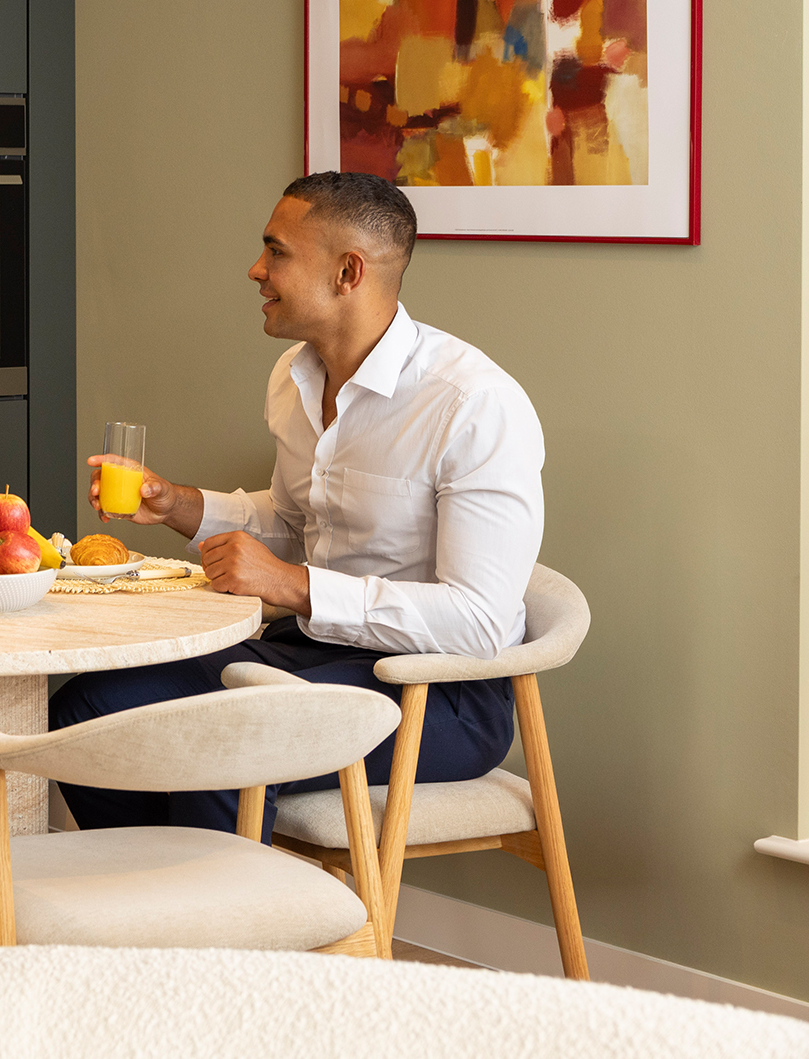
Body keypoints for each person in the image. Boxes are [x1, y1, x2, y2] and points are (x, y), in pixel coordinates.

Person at [56, 170, 542, 837]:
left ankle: (220, 930)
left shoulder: (472, 406)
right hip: (312, 652)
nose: (256, 269)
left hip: (439, 695)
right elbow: (294, 523)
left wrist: (292, 585)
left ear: (348, 272)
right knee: (89, 705)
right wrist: (176, 505)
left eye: (276, 251)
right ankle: (159, 905)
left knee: (226, 743)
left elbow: (482, 623)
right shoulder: (293, 377)